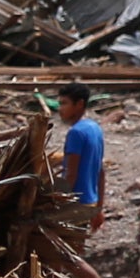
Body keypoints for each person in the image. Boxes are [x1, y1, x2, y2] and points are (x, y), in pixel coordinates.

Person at [55, 85, 106, 235]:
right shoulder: (94, 128)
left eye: (64, 103)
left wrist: (60, 203)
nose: (60, 109)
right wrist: (99, 208)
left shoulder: (76, 133)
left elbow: (71, 174)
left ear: (79, 104)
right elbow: (100, 171)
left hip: (76, 204)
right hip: (90, 202)